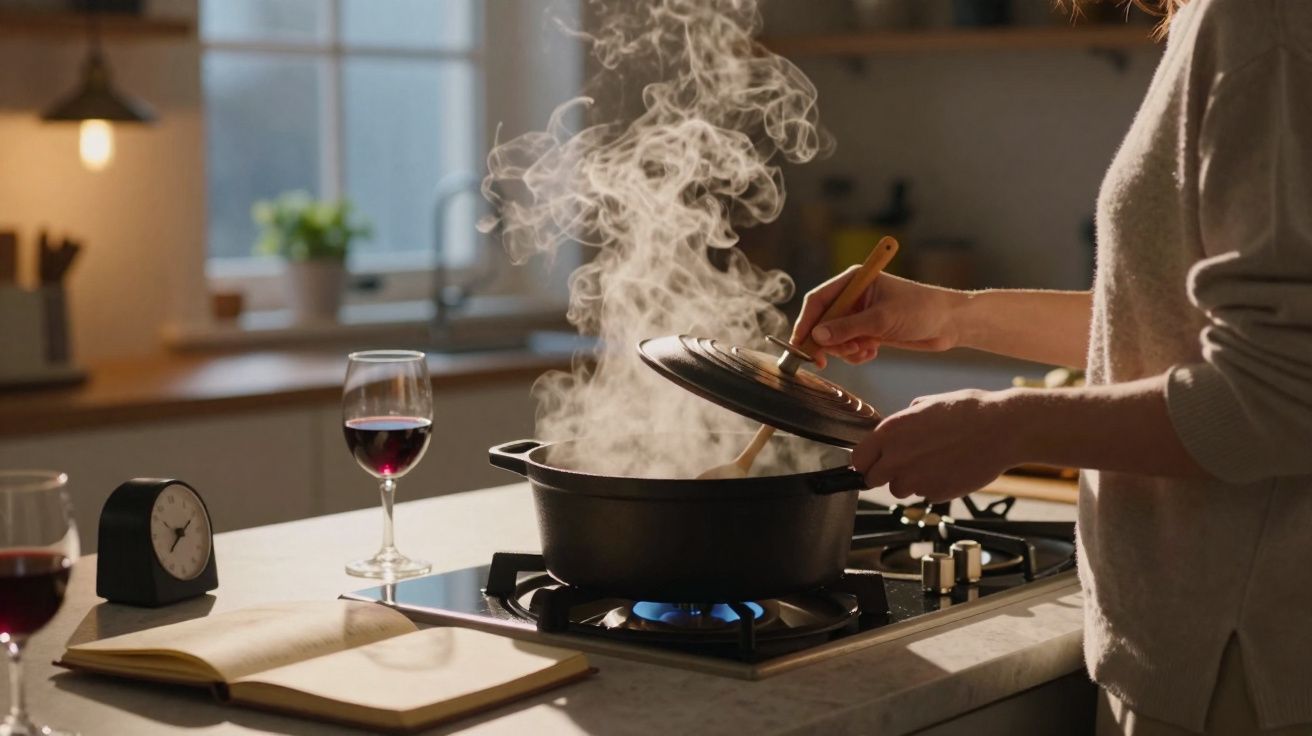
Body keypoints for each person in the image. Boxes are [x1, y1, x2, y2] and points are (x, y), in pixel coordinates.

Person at [790, 0, 1312, 733]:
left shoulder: (1267, 21)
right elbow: (1171, 328)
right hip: (1212, 658)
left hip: (1243, 673)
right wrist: (955, 315)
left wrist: (1011, 426)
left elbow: (1283, 391)